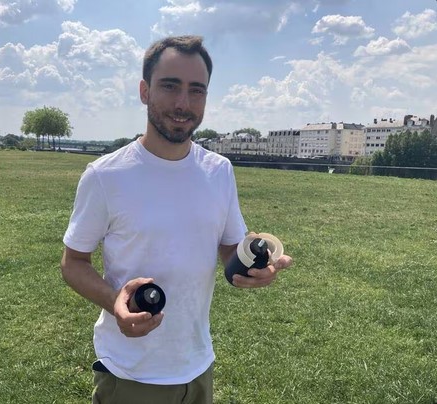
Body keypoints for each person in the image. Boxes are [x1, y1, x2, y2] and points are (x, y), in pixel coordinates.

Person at [61, 35, 293, 404]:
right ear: (144, 91)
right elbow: (73, 263)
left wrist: (254, 267)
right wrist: (114, 302)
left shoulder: (219, 171)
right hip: (131, 374)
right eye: (170, 86)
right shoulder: (105, 175)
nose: (183, 103)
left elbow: (230, 249)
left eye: (196, 90)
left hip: (199, 367)